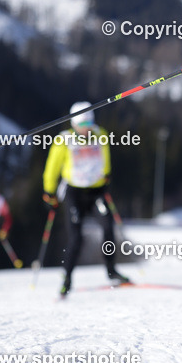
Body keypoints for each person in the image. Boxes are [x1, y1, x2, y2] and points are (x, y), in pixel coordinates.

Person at [43, 102, 129, 297]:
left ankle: (111, 271)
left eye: (90, 122)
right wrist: (49, 192)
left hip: (96, 191)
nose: (87, 127)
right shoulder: (63, 140)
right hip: (75, 192)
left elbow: (105, 157)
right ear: (74, 124)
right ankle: (67, 278)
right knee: (76, 237)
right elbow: (52, 168)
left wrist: (106, 175)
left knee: (108, 228)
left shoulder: (100, 135)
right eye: (83, 123)